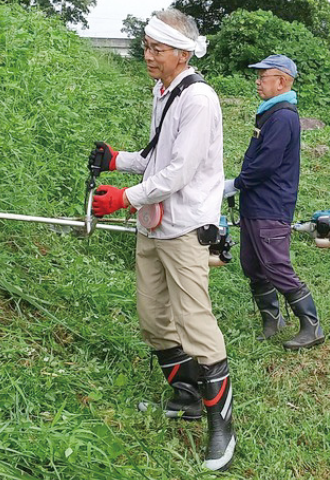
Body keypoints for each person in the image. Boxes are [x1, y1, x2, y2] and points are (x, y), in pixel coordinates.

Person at [90, 8, 235, 472]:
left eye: (156, 50)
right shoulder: (165, 92)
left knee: (195, 322)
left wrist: (123, 198)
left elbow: (180, 172)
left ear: (182, 53)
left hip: (186, 228)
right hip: (153, 224)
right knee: (153, 317)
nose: (147, 56)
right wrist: (119, 161)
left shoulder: (199, 99)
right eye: (147, 48)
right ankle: (186, 396)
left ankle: (221, 426)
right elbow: (158, 158)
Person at [223, 54, 326, 350]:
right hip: (256, 202)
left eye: (262, 77)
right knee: (252, 264)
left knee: (275, 265)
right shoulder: (270, 112)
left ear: (280, 82)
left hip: (271, 204)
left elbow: (267, 163)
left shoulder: (283, 116)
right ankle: (272, 321)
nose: (257, 82)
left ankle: (312, 326)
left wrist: (236, 184)